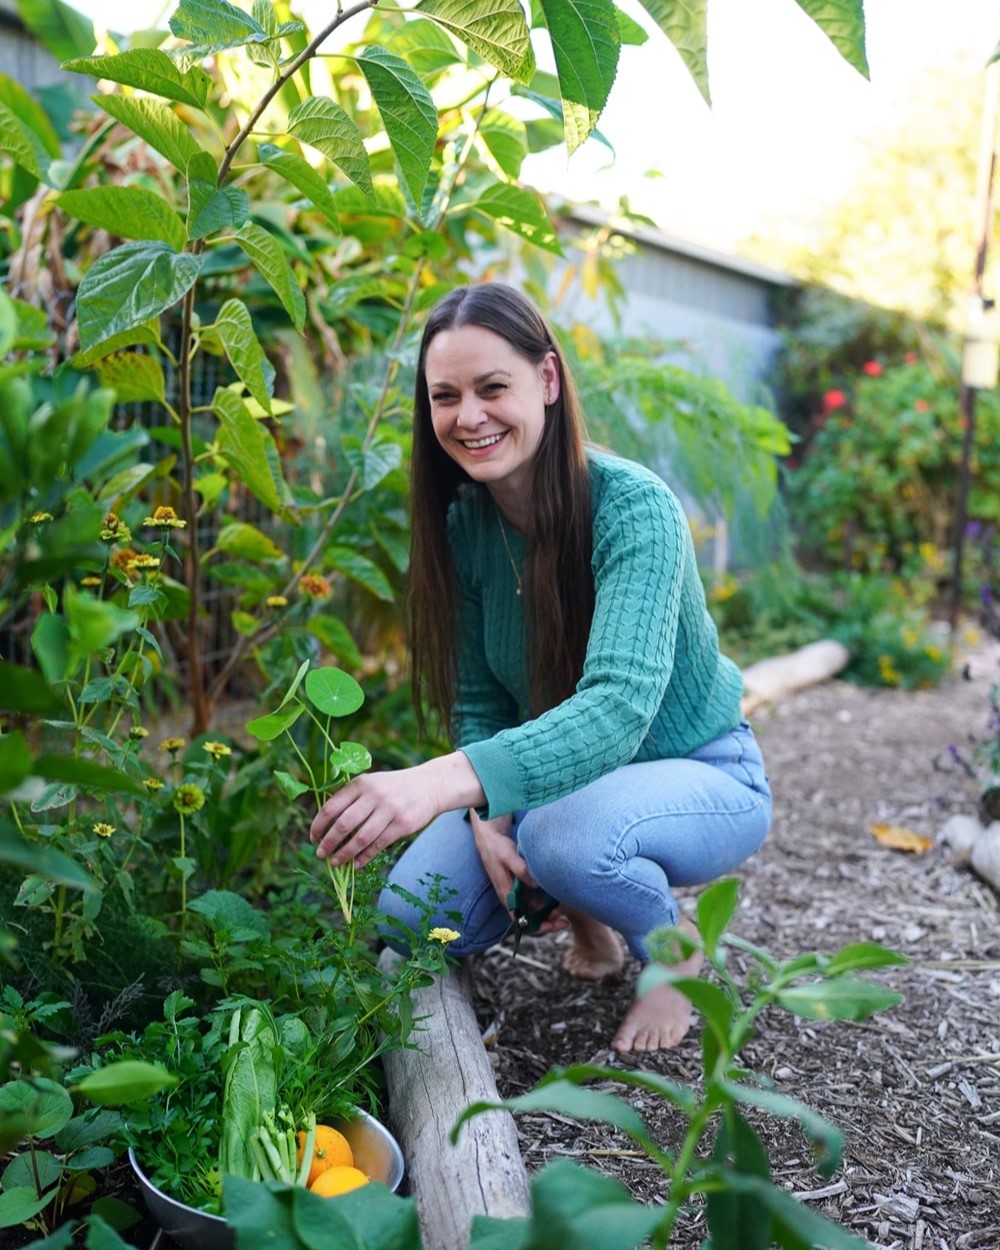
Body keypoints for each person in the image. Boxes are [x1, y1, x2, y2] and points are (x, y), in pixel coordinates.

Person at [309, 282, 772, 1053]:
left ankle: (673, 951)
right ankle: (590, 918)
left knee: (563, 836)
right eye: (445, 396)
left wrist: (439, 785)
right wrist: (485, 816)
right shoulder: (464, 525)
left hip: (703, 777)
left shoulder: (634, 508)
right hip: (564, 792)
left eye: (494, 388)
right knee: (412, 916)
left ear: (548, 381)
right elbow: (478, 697)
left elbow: (619, 708)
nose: (469, 416)